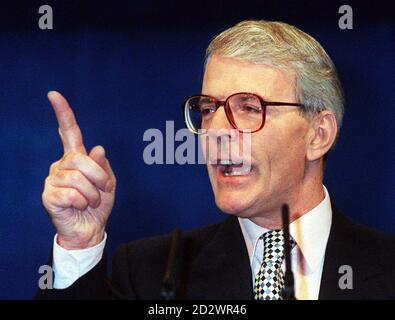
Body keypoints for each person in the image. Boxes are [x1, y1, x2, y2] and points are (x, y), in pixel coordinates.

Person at [37, 20, 395, 300]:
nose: (216, 132)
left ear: (318, 135)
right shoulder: (152, 273)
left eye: (250, 108)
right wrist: (78, 246)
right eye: (209, 108)